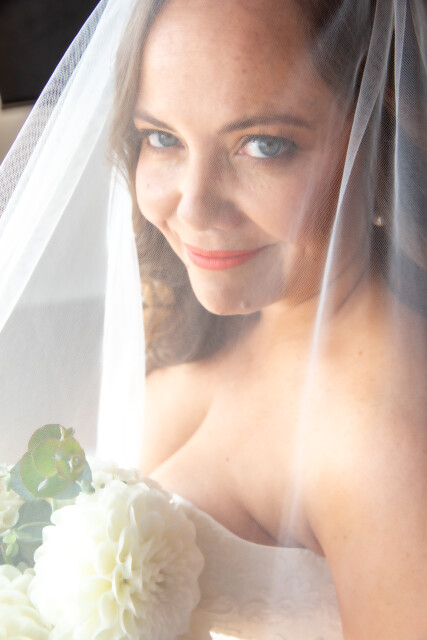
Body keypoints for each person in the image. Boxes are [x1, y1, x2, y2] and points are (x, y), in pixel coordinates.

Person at [0, 0, 425, 638]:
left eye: (264, 145)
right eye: (161, 137)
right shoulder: (209, 316)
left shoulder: (382, 435)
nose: (194, 208)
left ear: (380, 139)